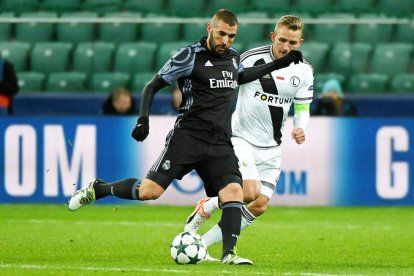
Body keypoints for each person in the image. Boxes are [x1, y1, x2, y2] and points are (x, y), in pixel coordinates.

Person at [68, 9, 303, 265]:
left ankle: (229, 254)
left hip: (220, 143)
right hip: (187, 138)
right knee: (149, 191)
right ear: (209, 28)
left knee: (235, 191)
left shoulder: (234, 57)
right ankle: (100, 188)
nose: (226, 40)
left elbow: (241, 77)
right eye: (222, 33)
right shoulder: (189, 56)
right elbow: (153, 85)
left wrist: (278, 64)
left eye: (232, 36)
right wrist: (142, 119)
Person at [184, 15, 314, 251]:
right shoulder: (250, 58)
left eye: (292, 43)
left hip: (272, 146)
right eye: (282, 40)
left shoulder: (304, 71)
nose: (286, 47)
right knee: (249, 192)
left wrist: (300, 127)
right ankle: (211, 206)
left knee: (259, 204)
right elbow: (224, 84)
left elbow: (302, 106)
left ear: (300, 42)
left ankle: (201, 243)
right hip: (241, 138)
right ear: (273, 36)